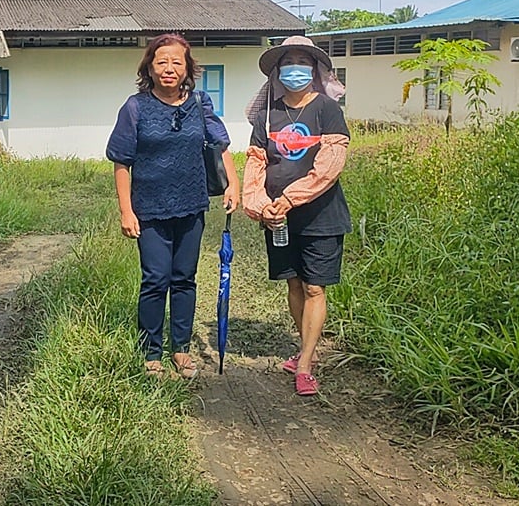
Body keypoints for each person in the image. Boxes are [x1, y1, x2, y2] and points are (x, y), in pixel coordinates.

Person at [106, 33, 240, 379]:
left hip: (191, 204)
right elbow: (122, 162)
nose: (169, 68)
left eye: (176, 62)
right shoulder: (135, 107)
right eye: (161, 61)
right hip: (149, 208)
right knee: (155, 279)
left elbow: (220, 145)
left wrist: (233, 184)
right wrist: (126, 210)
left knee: (185, 279)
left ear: (187, 68)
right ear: (149, 67)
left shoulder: (200, 102)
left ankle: (180, 349)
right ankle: (151, 351)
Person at [242, 35, 351, 397]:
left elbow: (328, 167)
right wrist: (260, 204)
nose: (295, 69)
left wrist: (288, 199)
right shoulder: (267, 114)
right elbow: (256, 163)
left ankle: (304, 364)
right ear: (276, 72)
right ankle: (308, 349)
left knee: (314, 286)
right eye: (288, 63)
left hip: (321, 215)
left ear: (315, 70)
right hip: (279, 218)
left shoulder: (327, 110)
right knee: (293, 283)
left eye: (303, 63)